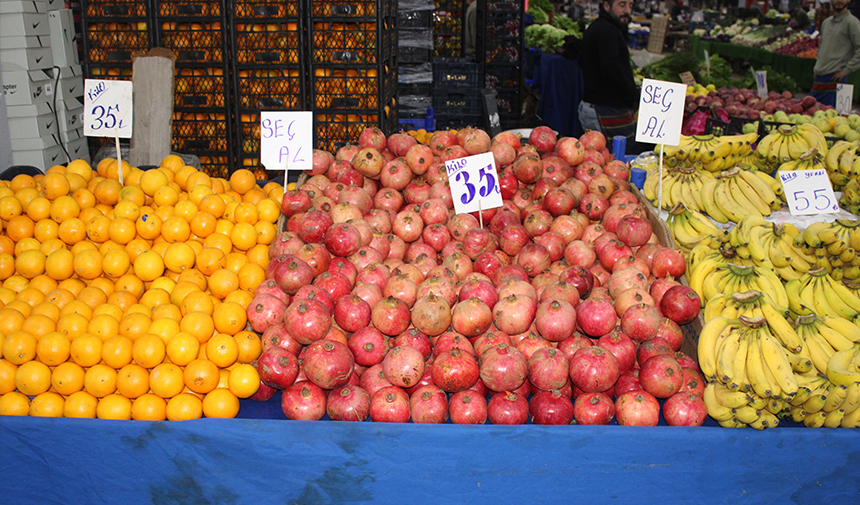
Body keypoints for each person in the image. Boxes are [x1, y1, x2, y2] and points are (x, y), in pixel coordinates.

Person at [578, 0, 643, 152]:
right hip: (605, 109)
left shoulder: (601, 27)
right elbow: (611, 69)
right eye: (622, 5)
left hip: (599, 106)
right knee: (616, 158)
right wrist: (632, 93)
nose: (627, 10)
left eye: (630, 5)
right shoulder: (607, 31)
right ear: (607, 5)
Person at [811, 0, 860, 107]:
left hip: (835, 80)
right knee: (811, 116)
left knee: (832, 119)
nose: (839, 1)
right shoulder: (826, 23)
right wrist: (817, 66)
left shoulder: (852, 23)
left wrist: (846, 70)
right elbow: (821, 47)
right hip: (819, 80)